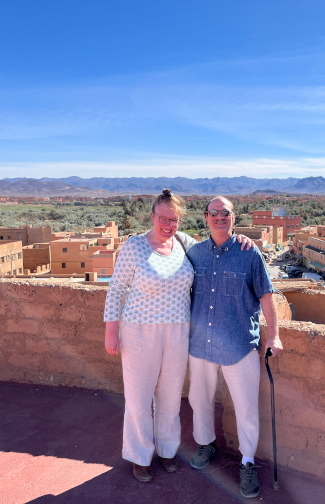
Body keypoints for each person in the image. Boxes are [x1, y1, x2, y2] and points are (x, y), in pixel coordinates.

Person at [104, 189, 255, 483]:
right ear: (152, 216)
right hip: (139, 332)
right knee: (138, 400)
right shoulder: (134, 247)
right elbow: (116, 290)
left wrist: (242, 240)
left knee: (171, 398)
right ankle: (139, 456)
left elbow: (216, 248)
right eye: (163, 218)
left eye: (173, 219)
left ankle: (167, 451)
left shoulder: (184, 244)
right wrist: (112, 331)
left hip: (177, 333)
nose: (168, 224)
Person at [186, 196, 283, 499]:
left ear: (233, 217)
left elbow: (266, 295)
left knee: (246, 409)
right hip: (201, 345)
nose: (219, 218)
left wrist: (274, 334)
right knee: (199, 400)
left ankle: (248, 462)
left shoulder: (249, 253)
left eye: (224, 213)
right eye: (213, 213)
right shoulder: (194, 254)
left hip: (239, 345)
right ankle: (206, 443)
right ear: (206, 218)